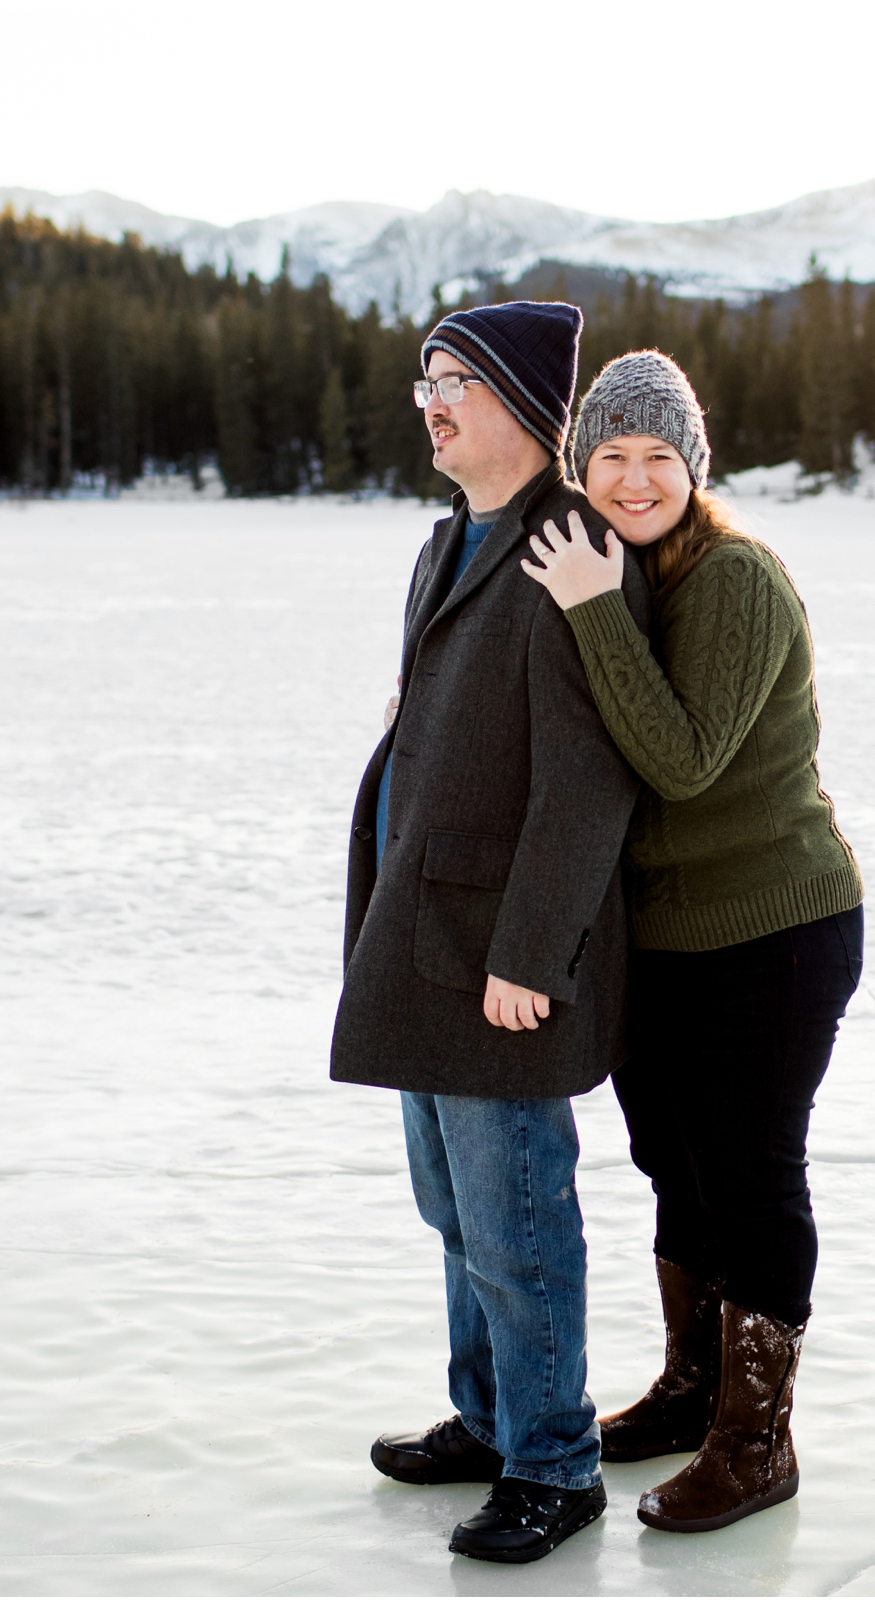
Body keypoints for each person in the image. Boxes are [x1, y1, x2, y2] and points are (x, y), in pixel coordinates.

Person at [521, 350, 864, 1534]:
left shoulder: (730, 580)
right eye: (610, 455)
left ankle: (756, 1440)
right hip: (666, 934)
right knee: (677, 1162)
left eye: (658, 456)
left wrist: (590, 608)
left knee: (752, 1172)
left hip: (775, 925)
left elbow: (678, 757)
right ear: (581, 466)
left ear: (694, 466)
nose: (633, 477)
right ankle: (691, 1387)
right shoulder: (630, 565)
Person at [330, 301, 651, 1566]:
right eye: (425, 381)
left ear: (522, 401)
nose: (431, 402)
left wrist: (530, 951)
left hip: (501, 960)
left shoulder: (567, 544)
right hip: (419, 927)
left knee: (519, 1215)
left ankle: (554, 1464)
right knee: (452, 1206)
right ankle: (488, 1414)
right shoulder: (445, 541)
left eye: (454, 379)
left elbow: (589, 781)